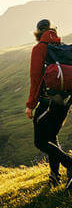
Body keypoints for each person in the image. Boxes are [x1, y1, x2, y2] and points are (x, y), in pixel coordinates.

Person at [26, 19, 72, 189]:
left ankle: (70, 165)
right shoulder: (64, 48)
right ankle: (54, 177)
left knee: (40, 141)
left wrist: (30, 105)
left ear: (38, 32)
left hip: (48, 103)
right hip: (65, 102)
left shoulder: (39, 49)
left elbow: (36, 79)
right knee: (52, 137)